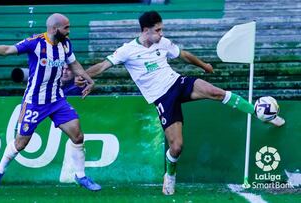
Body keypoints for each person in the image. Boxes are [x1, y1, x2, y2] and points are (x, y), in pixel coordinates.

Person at [78, 11, 285, 195]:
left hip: (178, 83)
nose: (161, 34)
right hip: (163, 98)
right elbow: (103, 65)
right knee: (177, 147)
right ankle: (170, 174)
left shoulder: (163, 43)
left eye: (162, 29)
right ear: (145, 30)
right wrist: (83, 75)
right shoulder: (127, 51)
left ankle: (258, 113)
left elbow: (183, 55)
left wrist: (204, 66)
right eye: (157, 30)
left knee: (215, 91)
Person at [0, 13, 101, 192]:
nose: (69, 31)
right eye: (66, 28)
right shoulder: (35, 43)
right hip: (34, 102)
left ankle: (81, 176)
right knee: (21, 143)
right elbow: (7, 50)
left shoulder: (66, 44)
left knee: (78, 136)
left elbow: (74, 64)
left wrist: (88, 79)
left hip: (57, 99)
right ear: (54, 29)